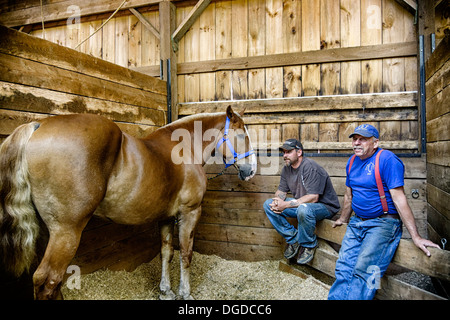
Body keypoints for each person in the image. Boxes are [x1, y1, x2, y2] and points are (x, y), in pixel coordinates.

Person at [328, 124, 440, 300]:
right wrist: (343, 218)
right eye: (355, 139)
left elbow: (399, 199)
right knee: (343, 267)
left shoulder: (387, 160)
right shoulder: (351, 162)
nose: (357, 143)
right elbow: (349, 196)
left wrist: (415, 236)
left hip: (383, 223)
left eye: (362, 139)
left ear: (375, 143)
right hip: (357, 222)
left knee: (364, 270)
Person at [263, 139, 340, 264]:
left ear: (299, 152)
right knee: (268, 205)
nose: (285, 155)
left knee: (304, 208)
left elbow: (313, 197)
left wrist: (285, 205)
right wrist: (278, 201)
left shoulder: (310, 167)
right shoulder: (287, 169)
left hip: (324, 207)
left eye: (288, 152)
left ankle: (309, 244)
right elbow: (281, 191)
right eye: (284, 152)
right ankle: (294, 238)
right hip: (302, 206)